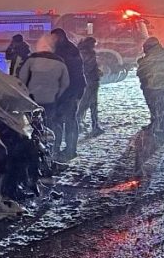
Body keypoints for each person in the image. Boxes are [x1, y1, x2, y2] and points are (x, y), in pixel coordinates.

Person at [18, 34, 70, 159]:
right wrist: (57, 95)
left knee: (32, 127)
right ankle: (50, 152)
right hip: (50, 100)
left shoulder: (31, 60)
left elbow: (21, 80)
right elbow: (65, 83)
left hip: (32, 101)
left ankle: (35, 153)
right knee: (49, 125)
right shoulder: (60, 62)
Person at [50, 28, 86, 161]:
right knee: (58, 120)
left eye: (55, 37)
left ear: (61, 37)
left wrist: (73, 92)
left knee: (69, 120)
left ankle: (70, 149)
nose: (53, 40)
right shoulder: (58, 50)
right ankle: (58, 148)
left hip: (71, 90)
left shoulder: (68, 51)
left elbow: (73, 73)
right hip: (61, 92)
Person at [138, 36, 164, 141]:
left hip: (156, 86)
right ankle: (158, 125)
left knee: (161, 107)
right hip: (156, 86)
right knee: (157, 106)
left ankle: (162, 128)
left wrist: (141, 62)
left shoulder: (155, 55)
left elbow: (143, 68)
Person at [77, 37, 104, 136]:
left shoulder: (80, 51)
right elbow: (89, 67)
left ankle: (81, 124)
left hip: (86, 81)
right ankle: (94, 125)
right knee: (89, 104)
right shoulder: (88, 53)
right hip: (91, 81)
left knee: (85, 104)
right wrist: (96, 72)